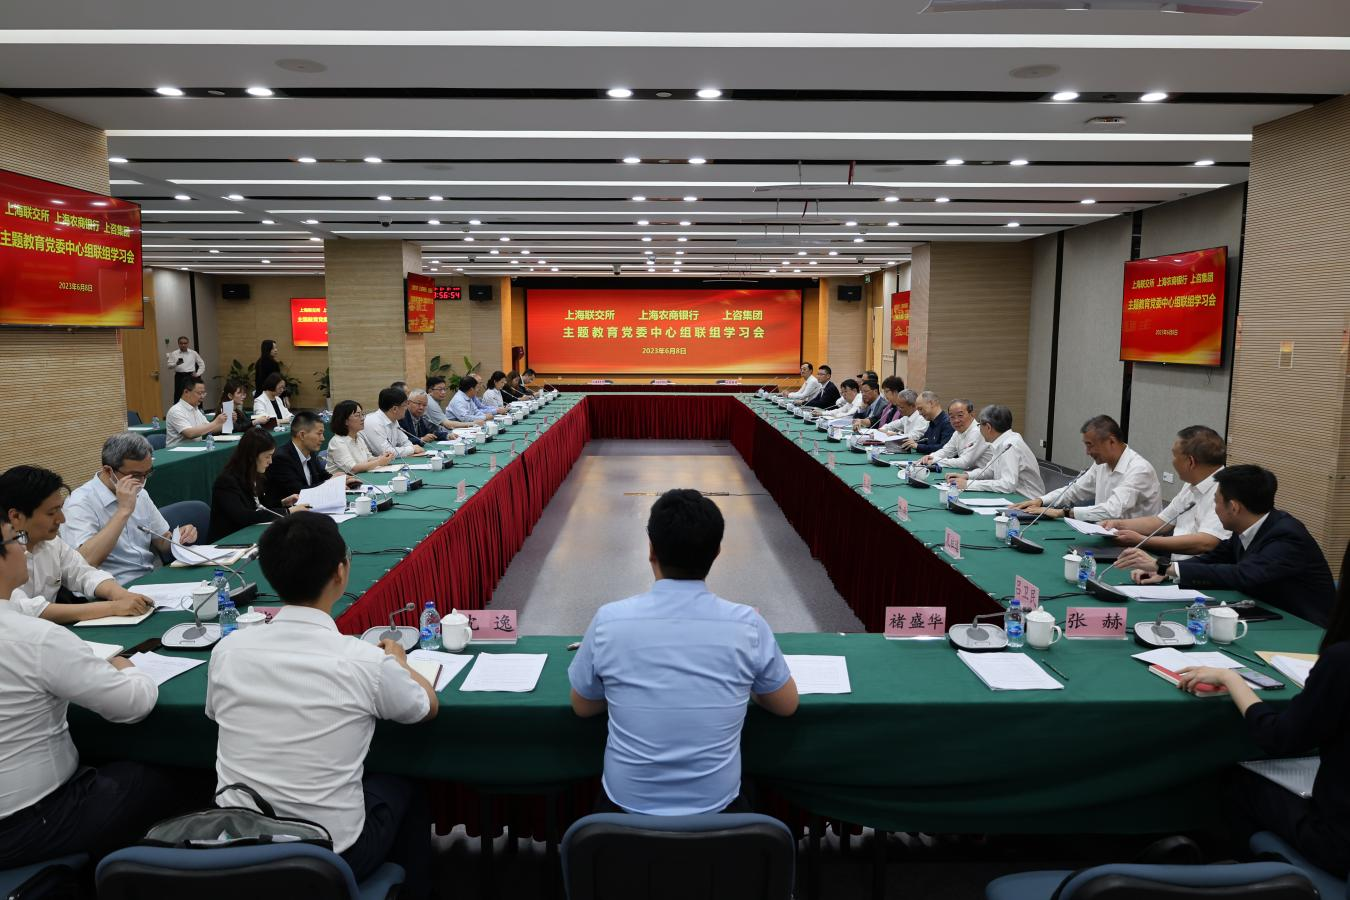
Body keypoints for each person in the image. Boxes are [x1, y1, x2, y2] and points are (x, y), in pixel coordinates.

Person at [206, 513, 436, 898]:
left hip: (237, 847)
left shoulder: (227, 650)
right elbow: (426, 706)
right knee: (404, 784)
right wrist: (400, 662)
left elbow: (215, 714)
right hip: (330, 855)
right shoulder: (365, 660)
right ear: (340, 573)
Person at [568, 489, 798, 815]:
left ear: (651, 549)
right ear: (716, 552)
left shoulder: (609, 620)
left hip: (624, 813)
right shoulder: (748, 625)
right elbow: (786, 705)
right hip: (719, 813)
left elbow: (582, 706)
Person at [0, 521, 176, 870]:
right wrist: (128, 668)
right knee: (165, 777)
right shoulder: (35, 638)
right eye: (15, 539)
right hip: (30, 822)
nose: (23, 546)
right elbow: (132, 705)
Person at [1172, 540, 1350, 877]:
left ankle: (1257, 878)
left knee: (1235, 781)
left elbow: (1279, 738)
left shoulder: (1342, 661)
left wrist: (1232, 678)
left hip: (1336, 840)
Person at [1117, 465, 1336, 627]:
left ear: (1234, 507)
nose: (1214, 508)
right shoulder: (1248, 527)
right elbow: (1214, 557)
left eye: (1216, 502)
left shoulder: (1287, 536)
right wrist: (1165, 572)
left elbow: (1242, 574)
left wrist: (1166, 567)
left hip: (1304, 629)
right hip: (1263, 614)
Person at [0, 466, 155, 623]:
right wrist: (113, 607)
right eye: (51, 513)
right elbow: (27, 610)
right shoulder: (4, 556)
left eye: (60, 509)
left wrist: (122, 595)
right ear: (16, 516)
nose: (61, 519)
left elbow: (84, 573)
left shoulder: (51, 543)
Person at [61, 433, 194, 585]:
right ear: (108, 471)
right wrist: (123, 511)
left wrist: (179, 537)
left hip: (149, 577)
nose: (142, 482)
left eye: (147, 473)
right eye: (135, 475)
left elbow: (162, 542)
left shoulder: (140, 494)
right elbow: (85, 562)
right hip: (111, 587)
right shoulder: (79, 503)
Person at [1101, 425, 1229, 560]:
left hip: (1199, 569)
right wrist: (1117, 524)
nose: (1172, 462)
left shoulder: (1226, 490)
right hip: (1175, 563)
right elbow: (1161, 521)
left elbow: (1206, 542)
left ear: (1191, 462)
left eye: (1175, 456)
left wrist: (1142, 540)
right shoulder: (1192, 484)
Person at [1012, 414, 1160, 523]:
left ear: (1111, 441)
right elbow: (1076, 490)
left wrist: (1062, 513)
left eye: (1090, 445)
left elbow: (1112, 510)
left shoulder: (1139, 470)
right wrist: (1041, 501)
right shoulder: (1102, 464)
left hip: (1138, 545)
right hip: (1106, 534)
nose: (1087, 452)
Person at [209, 428, 308, 541]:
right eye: (267, 456)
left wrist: (282, 503)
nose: (270, 461)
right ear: (252, 456)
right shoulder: (226, 482)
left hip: (247, 536)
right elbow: (244, 517)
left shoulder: (255, 475)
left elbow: (260, 506)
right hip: (226, 541)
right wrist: (288, 511)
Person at [946, 405, 1045, 498]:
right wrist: (966, 476)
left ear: (988, 427)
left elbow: (1007, 485)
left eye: (979, 425)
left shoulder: (1010, 445)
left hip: (1026, 500)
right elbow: (989, 470)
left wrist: (968, 484)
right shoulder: (1002, 442)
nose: (979, 429)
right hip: (1011, 496)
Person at [266, 411, 351, 505]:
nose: (323, 438)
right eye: (319, 434)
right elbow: (298, 491)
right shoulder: (281, 458)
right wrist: (330, 483)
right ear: (302, 435)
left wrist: (341, 480)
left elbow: (322, 476)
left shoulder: (309, 452)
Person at [326, 400, 396, 476]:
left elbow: (368, 459)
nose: (362, 418)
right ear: (345, 421)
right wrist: (379, 462)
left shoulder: (358, 438)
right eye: (357, 415)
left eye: (362, 414)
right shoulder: (337, 442)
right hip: (342, 481)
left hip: (359, 477)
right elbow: (352, 469)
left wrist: (383, 457)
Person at [920, 399, 991, 471]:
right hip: (967, 474)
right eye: (952, 417)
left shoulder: (979, 432)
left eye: (960, 415)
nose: (956, 420)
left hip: (982, 476)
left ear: (972, 414)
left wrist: (936, 461)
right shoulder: (957, 432)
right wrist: (930, 456)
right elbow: (946, 451)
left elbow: (965, 463)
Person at [165, 376, 228, 448]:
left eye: (203, 393)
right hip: (177, 452)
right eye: (199, 393)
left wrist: (227, 422)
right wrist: (215, 422)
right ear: (186, 392)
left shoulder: (196, 409)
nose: (202, 397)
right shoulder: (176, 411)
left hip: (195, 448)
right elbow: (190, 434)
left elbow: (209, 429)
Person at [361, 388, 424, 459]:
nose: (406, 408)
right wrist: (412, 449)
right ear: (394, 409)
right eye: (404, 405)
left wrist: (411, 448)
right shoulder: (374, 422)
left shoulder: (394, 420)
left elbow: (404, 442)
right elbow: (385, 452)